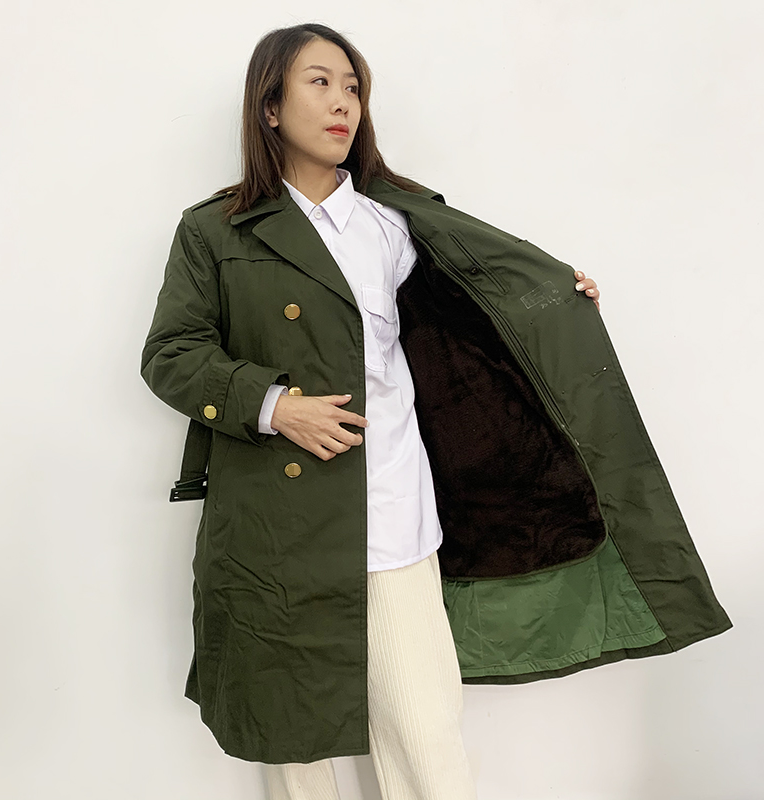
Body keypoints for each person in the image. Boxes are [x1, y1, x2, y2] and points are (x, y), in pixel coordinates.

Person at [141, 21, 730, 800]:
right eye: (320, 82)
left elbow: (478, 313)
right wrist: (277, 407)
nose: (343, 102)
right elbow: (171, 354)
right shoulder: (215, 229)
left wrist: (555, 301)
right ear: (270, 107)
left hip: (392, 509)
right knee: (295, 740)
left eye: (353, 87)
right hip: (276, 526)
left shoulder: (398, 220)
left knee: (426, 735)